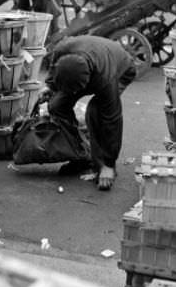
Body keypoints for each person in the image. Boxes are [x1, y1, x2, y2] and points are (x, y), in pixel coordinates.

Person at [41, 36, 136, 191]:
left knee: (95, 111)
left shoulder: (105, 78)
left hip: (122, 68)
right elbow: (53, 70)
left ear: (86, 82)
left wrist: (109, 164)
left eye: (76, 91)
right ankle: (80, 155)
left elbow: (112, 119)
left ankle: (101, 165)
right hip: (89, 61)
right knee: (57, 105)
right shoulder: (61, 50)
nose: (74, 94)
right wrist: (51, 87)